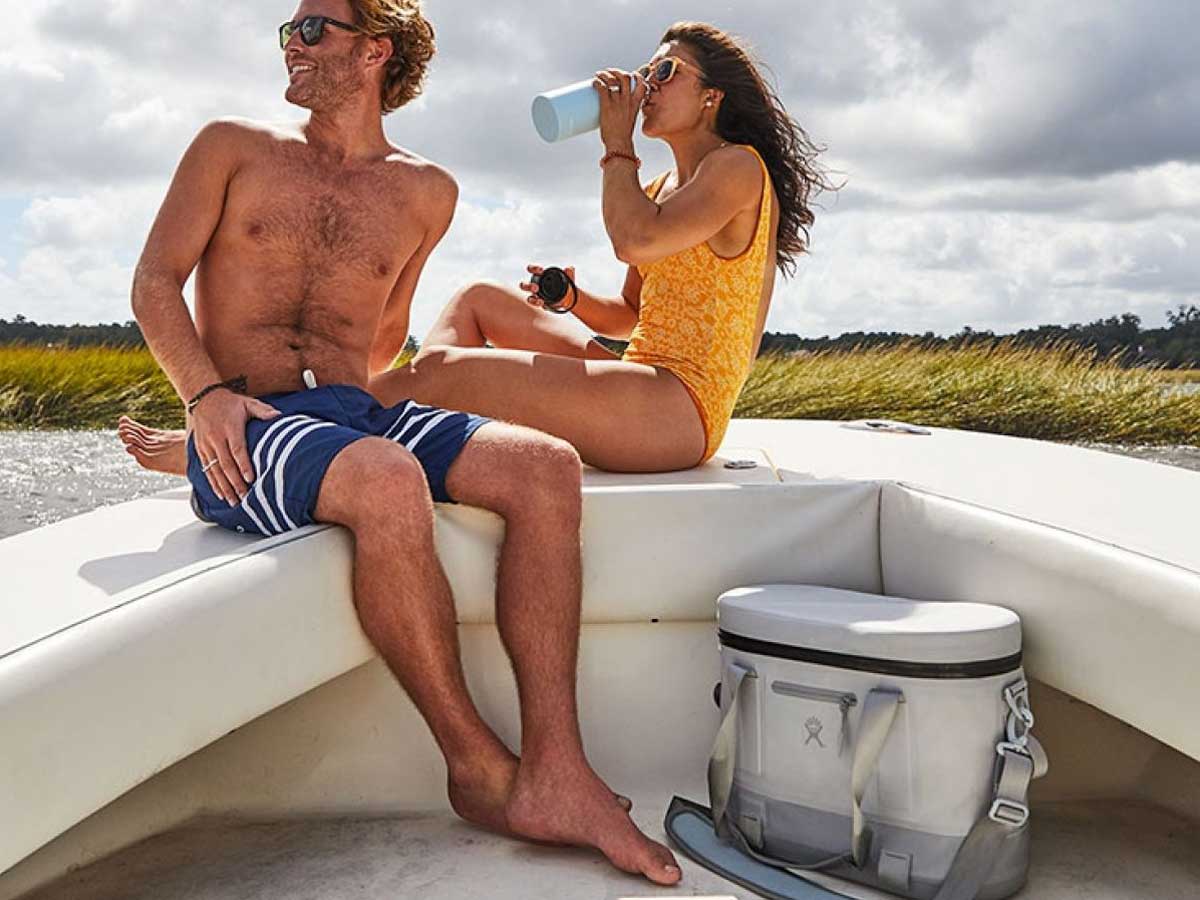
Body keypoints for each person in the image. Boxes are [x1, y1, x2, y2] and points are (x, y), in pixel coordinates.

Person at [128, 0, 680, 886]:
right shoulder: (231, 145)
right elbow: (154, 282)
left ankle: (557, 767)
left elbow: (383, 342)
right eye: (289, 30)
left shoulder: (429, 192)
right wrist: (203, 401)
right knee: (385, 479)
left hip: (351, 410)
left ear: (373, 51)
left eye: (313, 29)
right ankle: (477, 766)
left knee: (544, 467)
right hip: (245, 422)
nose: (291, 45)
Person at [120, 20, 837, 475]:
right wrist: (568, 300)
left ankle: (258, 440)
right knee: (477, 301)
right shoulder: (659, 191)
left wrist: (614, 144)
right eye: (646, 72)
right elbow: (624, 315)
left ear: (712, 99)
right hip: (641, 379)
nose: (646, 85)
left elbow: (632, 239)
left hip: (677, 412)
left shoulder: (736, 168)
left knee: (436, 370)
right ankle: (374, 421)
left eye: (666, 73)